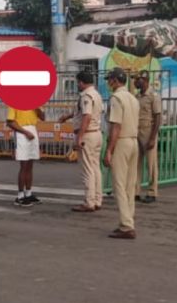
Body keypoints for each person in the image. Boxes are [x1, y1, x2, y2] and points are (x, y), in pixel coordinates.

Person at [58, 71, 104, 212]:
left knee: (87, 170)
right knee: (95, 168)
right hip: (96, 134)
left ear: (82, 82)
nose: (77, 85)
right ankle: (97, 199)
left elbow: (86, 116)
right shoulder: (96, 94)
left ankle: (89, 202)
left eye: (78, 82)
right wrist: (67, 116)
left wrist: (80, 137)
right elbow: (81, 112)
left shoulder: (86, 96)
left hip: (87, 135)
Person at [102, 67, 140, 239]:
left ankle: (126, 225)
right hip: (133, 141)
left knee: (119, 185)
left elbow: (116, 126)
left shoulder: (116, 98)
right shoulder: (133, 98)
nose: (108, 82)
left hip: (122, 141)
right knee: (130, 185)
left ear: (115, 81)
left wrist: (109, 150)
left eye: (109, 79)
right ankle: (128, 219)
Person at [6, 104, 45, 207]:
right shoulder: (14, 102)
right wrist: (25, 132)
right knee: (24, 165)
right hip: (21, 132)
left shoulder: (36, 102)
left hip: (33, 129)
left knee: (30, 165)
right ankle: (20, 196)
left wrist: (37, 107)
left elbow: (43, 117)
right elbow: (10, 122)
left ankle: (28, 193)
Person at [134, 70, 162, 203]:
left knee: (151, 164)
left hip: (148, 130)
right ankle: (135, 191)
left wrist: (152, 138)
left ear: (144, 80)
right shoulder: (137, 96)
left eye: (137, 79)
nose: (135, 82)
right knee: (135, 163)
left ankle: (152, 191)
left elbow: (158, 117)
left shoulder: (153, 96)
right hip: (136, 131)